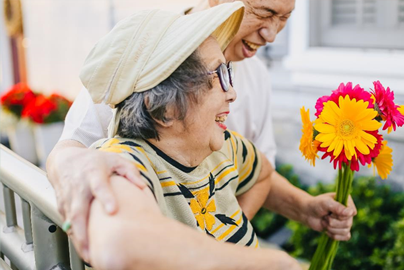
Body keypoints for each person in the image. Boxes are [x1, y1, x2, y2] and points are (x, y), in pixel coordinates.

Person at [47, 0, 357, 262]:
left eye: (284, 19)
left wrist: (300, 208)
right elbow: (75, 155)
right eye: (264, 12)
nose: (272, 34)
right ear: (164, 108)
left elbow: (258, 168)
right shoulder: (142, 59)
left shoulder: (248, 96)